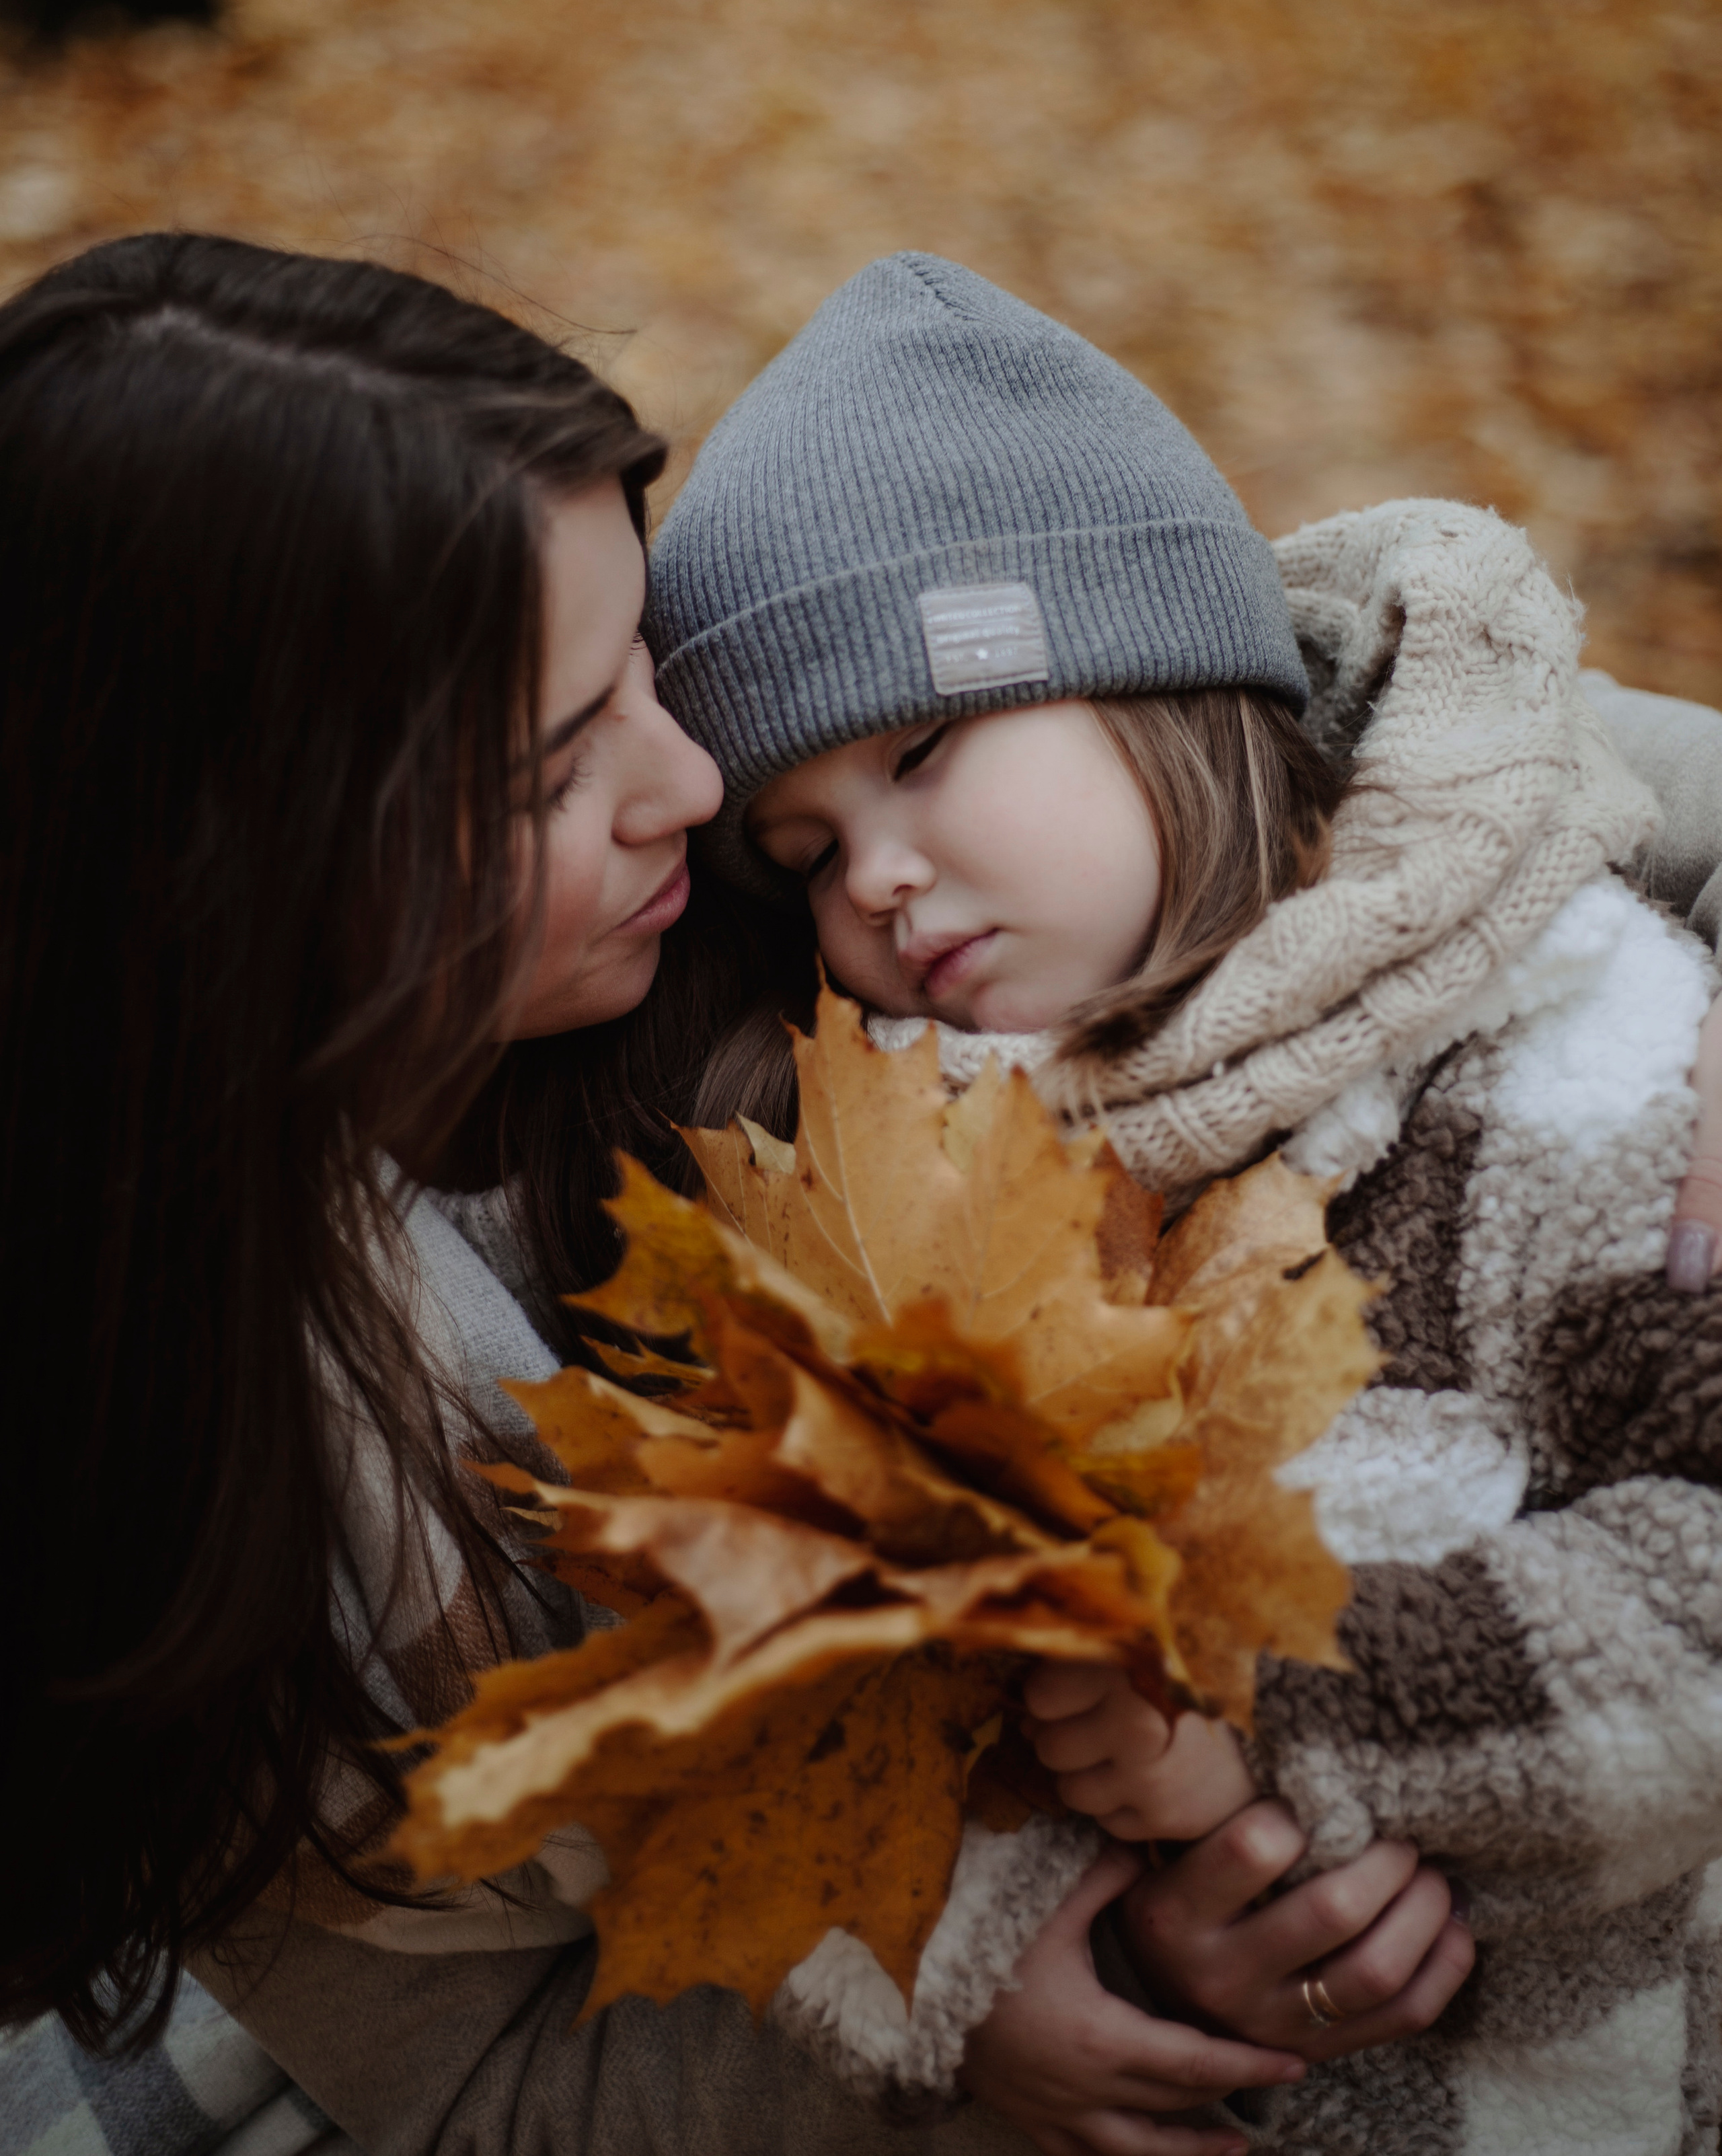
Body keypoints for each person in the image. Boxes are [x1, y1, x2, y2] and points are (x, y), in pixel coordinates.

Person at [1, 233, 1485, 2156]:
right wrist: (965, 2011)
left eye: (644, 667)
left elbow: (1279, 692)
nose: (698, 778)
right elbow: (477, 2083)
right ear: (237, 883)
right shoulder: (149, 1467)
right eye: (556, 761)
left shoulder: (752, 909)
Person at [642, 249, 1722, 2154]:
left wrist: (1289, 1714)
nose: (876, 883)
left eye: (921, 754)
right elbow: (802, 1717)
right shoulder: (894, 1217)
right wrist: (994, 1972)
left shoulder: (1569, 1049)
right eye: (809, 852)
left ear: (1155, 674)